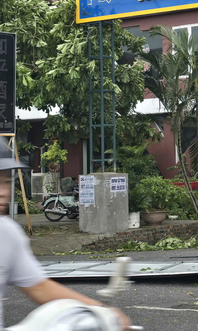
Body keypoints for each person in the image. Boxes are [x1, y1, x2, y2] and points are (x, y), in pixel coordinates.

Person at [0, 137, 130, 329]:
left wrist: (101, 312)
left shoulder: (7, 234)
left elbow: (40, 287)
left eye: (6, 182)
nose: (3, 191)